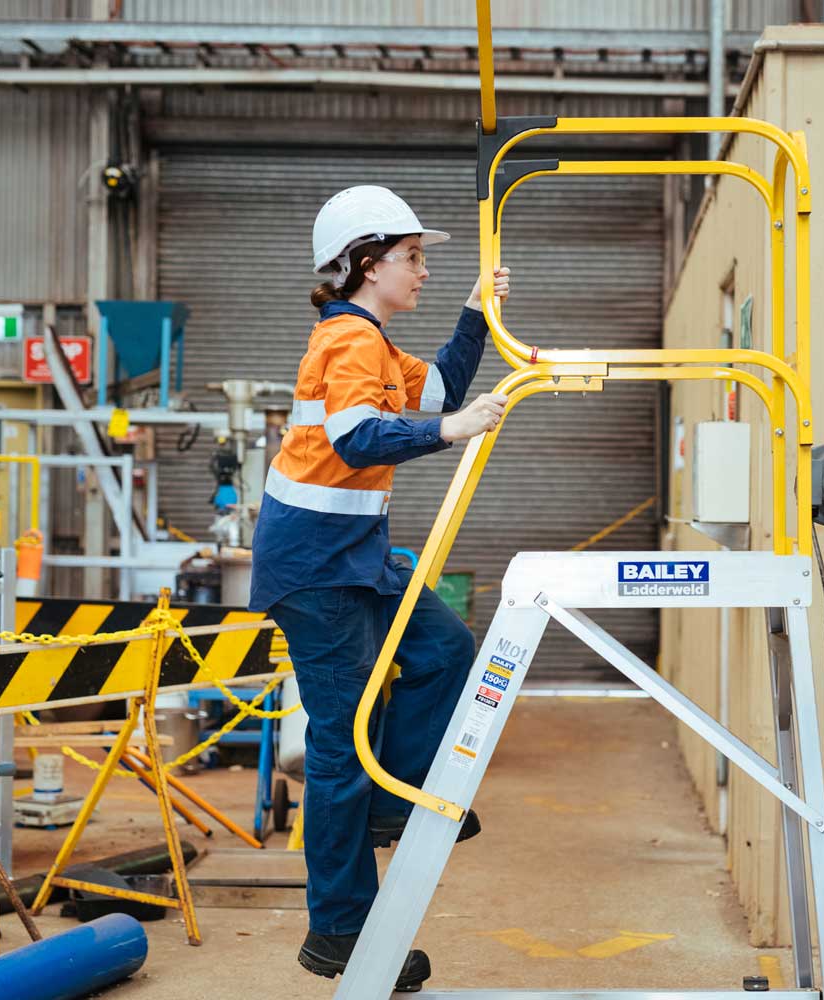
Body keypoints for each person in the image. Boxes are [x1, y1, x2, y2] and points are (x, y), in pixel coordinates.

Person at [249, 184, 510, 990]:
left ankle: (397, 802)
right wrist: (448, 434)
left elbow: (438, 392)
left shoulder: (370, 339)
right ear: (367, 263)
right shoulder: (349, 343)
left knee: (444, 647)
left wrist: (472, 315)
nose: (422, 269)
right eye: (412, 257)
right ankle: (342, 932)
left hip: (355, 553)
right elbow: (361, 437)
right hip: (316, 566)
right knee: (341, 745)